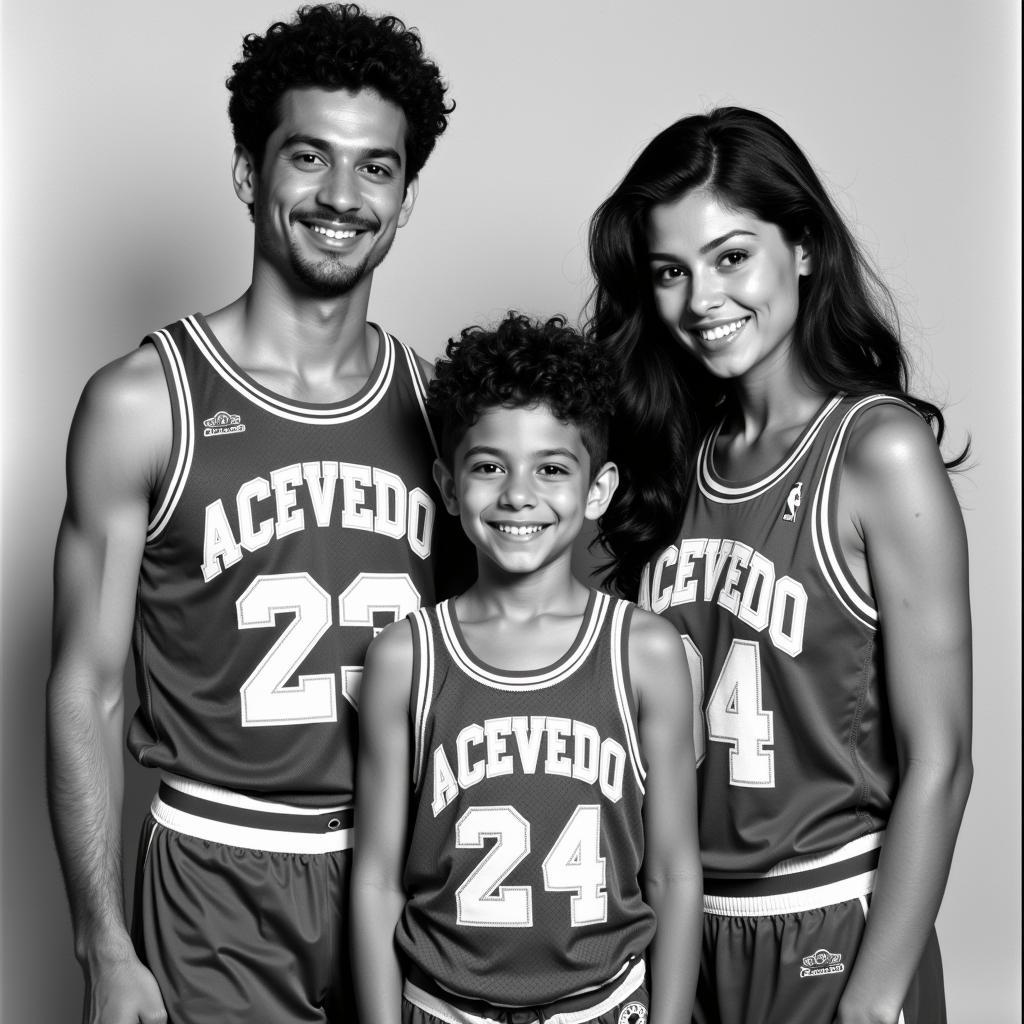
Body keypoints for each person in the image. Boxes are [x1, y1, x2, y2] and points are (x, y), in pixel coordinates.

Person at [45, 6, 457, 1022]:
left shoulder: (445, 413)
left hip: (400, 873)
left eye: (376, 169)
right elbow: (86, 685)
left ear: (406, 198)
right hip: (217, 878)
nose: (341, 196)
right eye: (308, 157)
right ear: (247, 172)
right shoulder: (143, 401)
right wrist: (101, 942)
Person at [587, 107, 973, 1024]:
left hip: (830, 927)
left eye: (731, 256)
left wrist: (874, 1001)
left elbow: (943, 759)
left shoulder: (877, 451)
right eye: (672, 272)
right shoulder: (670, 459)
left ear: (801, 246)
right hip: (685, 933)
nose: (702, 300)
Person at [350, 313, 703, 1024]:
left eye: (551, 468)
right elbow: (377, 881)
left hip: (603, 1007)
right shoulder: (406, 658)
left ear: (598, 490)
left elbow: (671, 871)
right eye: (489, 467)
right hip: (442, 1008)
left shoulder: (645, 652)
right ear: (448, 488)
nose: (518, 494)